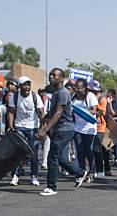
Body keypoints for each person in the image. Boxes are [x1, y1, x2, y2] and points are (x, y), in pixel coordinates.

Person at [37, 68, 87, 196]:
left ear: (61, 78)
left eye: (55, 75)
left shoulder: (63, 93)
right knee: (58, 157)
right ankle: (80, 173)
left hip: (64, 129)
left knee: (52, 157)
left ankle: (51, 187)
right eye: (50, 75)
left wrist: (45, 129)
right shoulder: (56, 92)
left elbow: (59, 112)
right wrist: (46, 116)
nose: (51, 77)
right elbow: (56, 111)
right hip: (61, 129)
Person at [6, 76, 45, 186]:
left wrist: (42, 129)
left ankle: (34, 176)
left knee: (33, 153)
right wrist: (10, 125)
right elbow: (11, 112)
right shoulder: (14, 96)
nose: (27, 87)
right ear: (19, 86)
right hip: (19, 127)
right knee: (19, 153)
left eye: (28, 84)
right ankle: (16, 176)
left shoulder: (35, 96)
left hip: (33, 127)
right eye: (24, 84)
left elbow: (42, 113)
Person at [72, 78, 99, 182]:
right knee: (80, 151)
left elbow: (95, 111)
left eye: (80, 88)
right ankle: (82, 172)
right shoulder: (73, 97)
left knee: (89, 150)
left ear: (85, 88)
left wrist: (82, 111)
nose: (77, 90)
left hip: (89, 128)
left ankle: (92, 171)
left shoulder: (90, 96)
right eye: (76, 88)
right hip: (77, 128)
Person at [88, 80, 108, 179]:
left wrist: (89, 110)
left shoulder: (102, 99)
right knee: (89, 149)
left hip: (100, 127)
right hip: (88, 127)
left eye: (96, 91)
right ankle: (91, 170)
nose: (94, 92)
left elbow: (100, 112)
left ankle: (100, 170)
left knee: (97, 149)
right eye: (92, 90)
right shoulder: (87, 97)